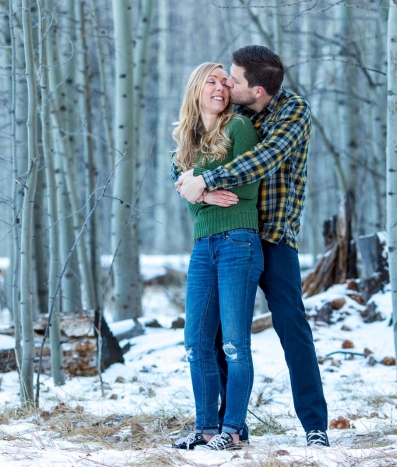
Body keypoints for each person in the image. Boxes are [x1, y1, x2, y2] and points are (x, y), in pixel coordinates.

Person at [176, 45, 330, 447]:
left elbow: (266, 158)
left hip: (272, 236)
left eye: (234, 79)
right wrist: (198, 190)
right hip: (230, 235)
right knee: (215, 336)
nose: (226, 83)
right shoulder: (236, 114)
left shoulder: (292, 111)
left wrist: (207, 182)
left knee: (291, 327)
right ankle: (230, 429)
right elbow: (186, 165)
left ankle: (315, 426)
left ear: (257, 90)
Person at [170, 62, 263, 452]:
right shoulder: (186, 142)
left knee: (235, 344)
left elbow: (248, 186)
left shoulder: (238, 129)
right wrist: (203, 195)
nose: (222, 87)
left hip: (238, 242)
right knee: (196, 342)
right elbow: (188, 201)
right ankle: (206, 428)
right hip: (203, 247)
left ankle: (235, 430)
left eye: (226, 82)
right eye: (212, 81)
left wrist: (199, 186)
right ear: (196, 88)